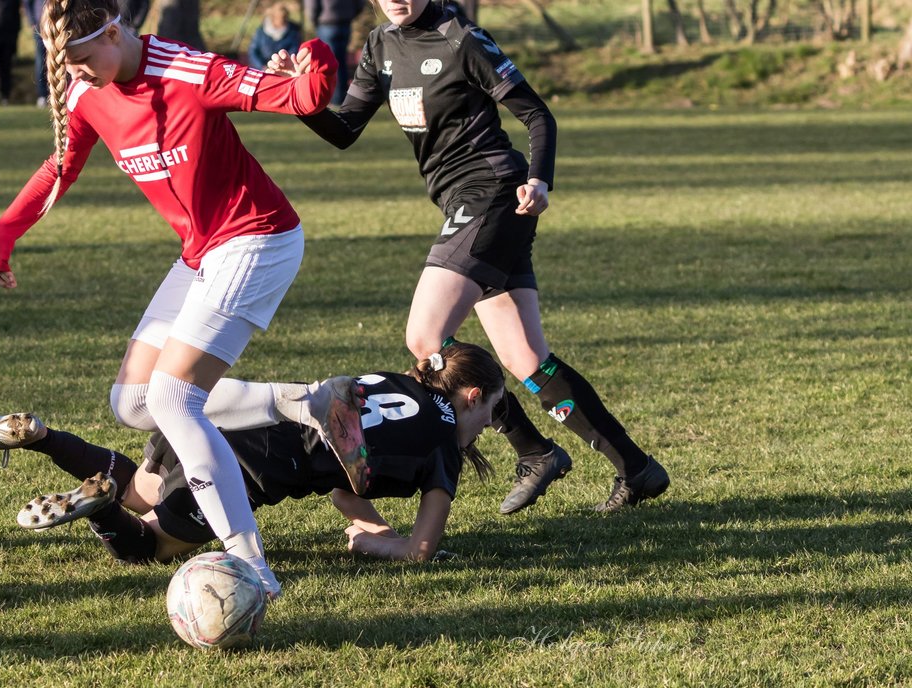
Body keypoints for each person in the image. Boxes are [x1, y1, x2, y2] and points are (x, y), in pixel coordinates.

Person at [0, 0, 361, 599]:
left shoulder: (188, 70)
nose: (77, 76)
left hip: (258, 238)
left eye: (83, 61)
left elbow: (302, 97)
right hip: (201, 251)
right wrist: (5, 234)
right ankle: (304, 402)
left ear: (114, 32)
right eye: (67, 66)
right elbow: (60, 166)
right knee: (135, 403)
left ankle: (250, 564)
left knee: (174, 395)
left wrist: (314, 54)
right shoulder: (87, 93)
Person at [272, 0, 669, 514]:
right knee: (526, 358)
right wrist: (296, 97)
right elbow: (345, 129)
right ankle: (636, 469)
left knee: (424, 337)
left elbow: (536, 114)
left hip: (494, 193)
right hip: (469, 202)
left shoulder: (461, 38)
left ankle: (535, 451)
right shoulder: (378, 45)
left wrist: (539, 180)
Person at [0, 342, 505, 573]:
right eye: (491, 415)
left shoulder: (396, 381)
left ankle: (44, 436)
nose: (486, 428)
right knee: (151, 546)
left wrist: (366, 518)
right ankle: (97, 511)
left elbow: (347, 477)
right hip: (250, 466)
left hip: (225, 415)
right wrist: (375, 541)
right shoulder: (444, 449)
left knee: (140, 488)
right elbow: (420, 551)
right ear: (472, 397)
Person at [304, 0, 365, 105]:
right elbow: (360, 3)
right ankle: (343, 98)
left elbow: (312, 5)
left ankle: (335, 99)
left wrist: (314, 19)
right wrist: (350, 14)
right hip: (345, 23)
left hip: (326, 23)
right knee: (341, 62)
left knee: (330, 65)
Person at [248, 2, 301, 72]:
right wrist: (262, 67)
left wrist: (282, 66)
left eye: (284, 18)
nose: (281, 21)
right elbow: (253, 51)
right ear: (273, 17)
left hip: (282, 69)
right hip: (263, 68)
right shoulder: (261, 31)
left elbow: (293, 51)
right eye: (278, 18)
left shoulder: (293, 32)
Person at [25, 0, 48, 107]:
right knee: (41, 62)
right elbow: (27, 3)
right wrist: (32, 21)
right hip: (40, 27)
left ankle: (63, 93)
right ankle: (42, 95)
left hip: (60, 26)